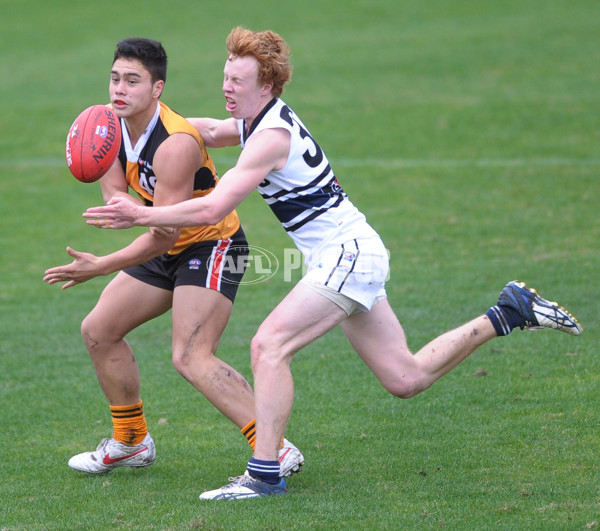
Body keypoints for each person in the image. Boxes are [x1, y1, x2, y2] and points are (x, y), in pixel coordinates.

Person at [83, 28, 583, 499]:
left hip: (347, 254)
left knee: (269, 345)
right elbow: (208, 129)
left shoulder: (270, 137)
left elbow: (213, 208)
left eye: (238, 81)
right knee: (404, 378)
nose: (226, 87)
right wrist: (143, 119)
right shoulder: (257, 121)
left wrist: (139, 212)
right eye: (225, 77)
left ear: (268, 85)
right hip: (353, 253)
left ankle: (263, 474)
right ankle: (509, 312)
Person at [43, 37, 304, 478]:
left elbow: (163, 236)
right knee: (99, 330)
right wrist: (119, 199)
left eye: (132, 81)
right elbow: (118, 201)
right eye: (114, 79)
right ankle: (131, 442)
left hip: (211, 245)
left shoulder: (175, 144)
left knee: (191, 355)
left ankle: (274, 447)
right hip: (164, 240)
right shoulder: (105, 126)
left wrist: (100, 266)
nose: (119, 90)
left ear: (157, 88)